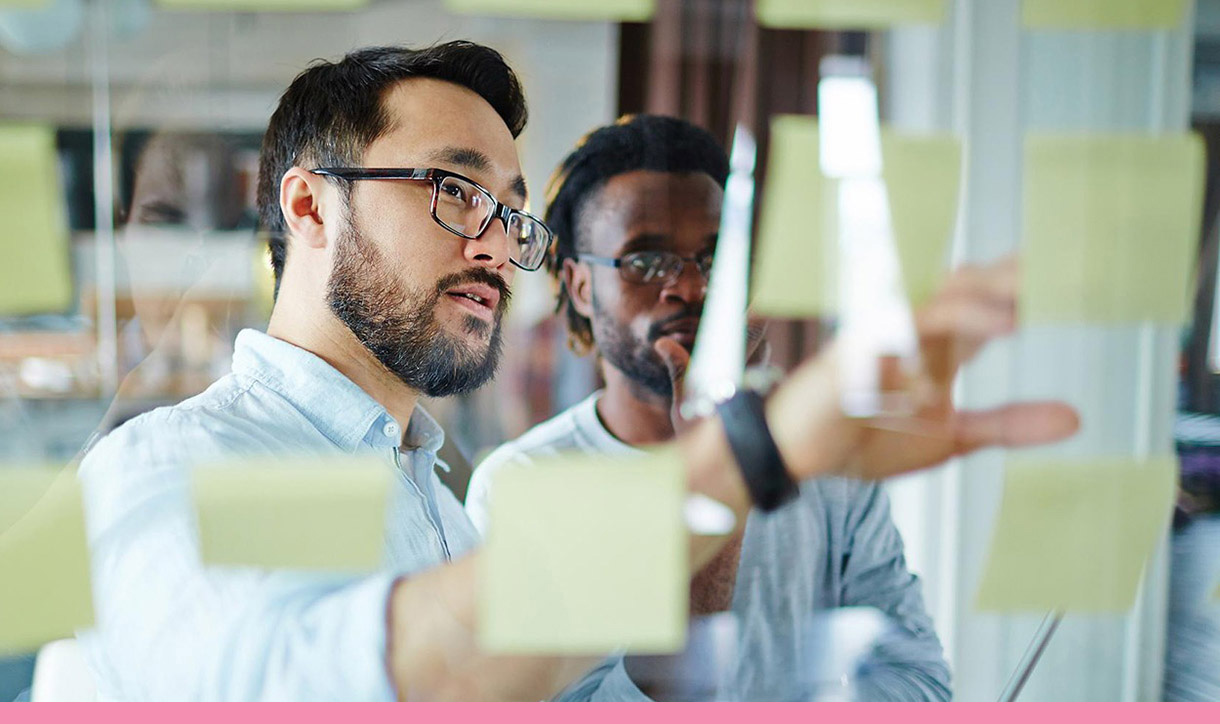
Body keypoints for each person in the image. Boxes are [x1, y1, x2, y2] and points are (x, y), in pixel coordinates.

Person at [75, 42, 1077, 701]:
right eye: (455, 190)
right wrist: (753, 453)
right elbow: (293, 687)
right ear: (308, 208)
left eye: (510, 213)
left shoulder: (438, 508)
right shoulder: (169, 465)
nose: (497, 249)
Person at [465, 115, 948, 700]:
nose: (692, 288)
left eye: (717, 259)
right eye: (646, 262)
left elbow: (918, 681)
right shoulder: (524, 485)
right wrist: (712, 493)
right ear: (581, 286)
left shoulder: (826, 467)